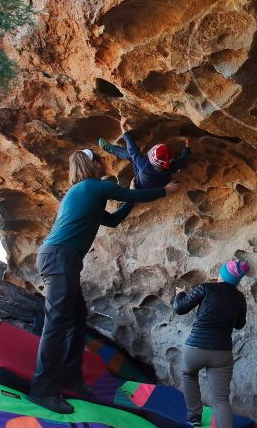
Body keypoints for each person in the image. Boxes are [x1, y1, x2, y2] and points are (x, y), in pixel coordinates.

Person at [28, 149, 179, 414]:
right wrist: (165, 190)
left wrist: (130, 194)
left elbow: (113, 220)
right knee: (57, 324)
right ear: (92, 164)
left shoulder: (86, 195)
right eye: (99, 159)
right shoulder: (90, 187)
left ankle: (71, 379)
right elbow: (133, 195)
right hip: (59, 258)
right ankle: (43, 391)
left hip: (63, 260)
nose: (103, 162)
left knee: (76, 318)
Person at [173, 259, 250, 428]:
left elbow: (180, 308)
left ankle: (194, 417)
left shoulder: (206, 288)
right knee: (221, 400)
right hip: (222, 353)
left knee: (188, 374)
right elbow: (239, 325)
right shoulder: (240, 298)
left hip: (196, 348)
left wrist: (179, 294)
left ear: (222, 274)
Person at [97, 130, 191, 189]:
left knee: (131, 157)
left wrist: (125, 133)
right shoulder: (173, 165)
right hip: (159, 185)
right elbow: (184, 157)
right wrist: (188, 145)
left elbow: (133, 151)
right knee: (180, 165)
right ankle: (180, 168)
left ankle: (111, 149)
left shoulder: (144, 165)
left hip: (139, 186)